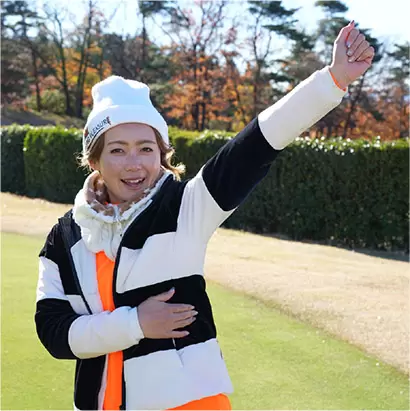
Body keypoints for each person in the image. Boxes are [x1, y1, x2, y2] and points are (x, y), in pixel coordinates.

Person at [35, 21, 374, 410]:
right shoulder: (64, 236)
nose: (134, 163)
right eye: (117, 150)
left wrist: (333, 79)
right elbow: (53, 332)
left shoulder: (186, 208)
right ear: (94, 159)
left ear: (162, 154)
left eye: (146, 148)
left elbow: (257, 144)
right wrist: (135, 323)